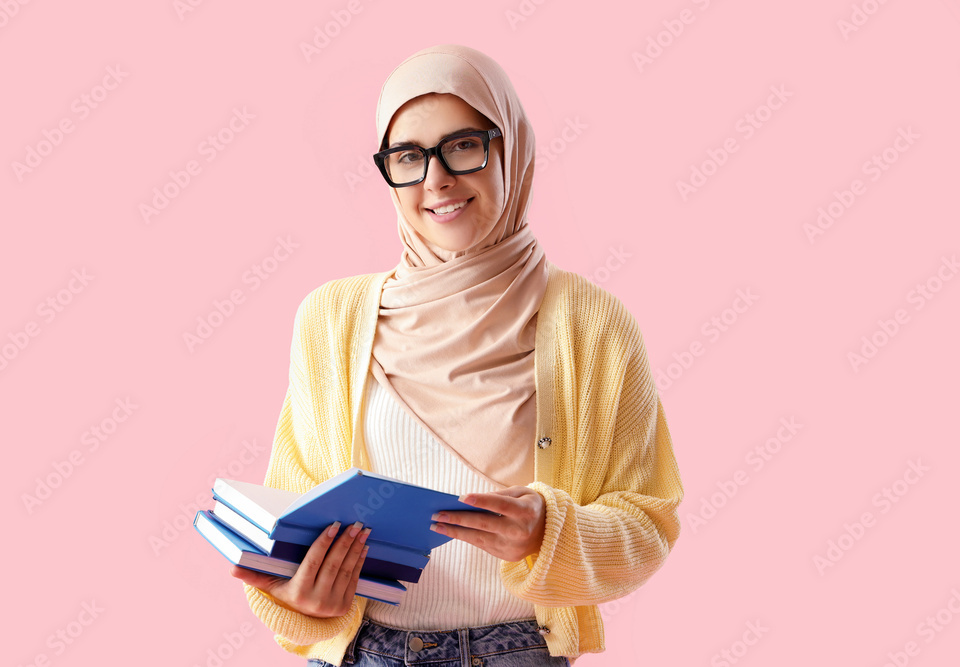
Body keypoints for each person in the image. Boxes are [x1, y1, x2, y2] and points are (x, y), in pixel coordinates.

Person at [229, 44, 684, 667]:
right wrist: (300, 598)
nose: (435, 179)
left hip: (519, 652)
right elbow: (292, 515)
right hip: (361, 654)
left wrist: (549, 530)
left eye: (463, 145)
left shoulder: (592, 324)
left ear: (511, 149)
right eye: (407, 157)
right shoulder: (329, 320)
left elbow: (648, 523)